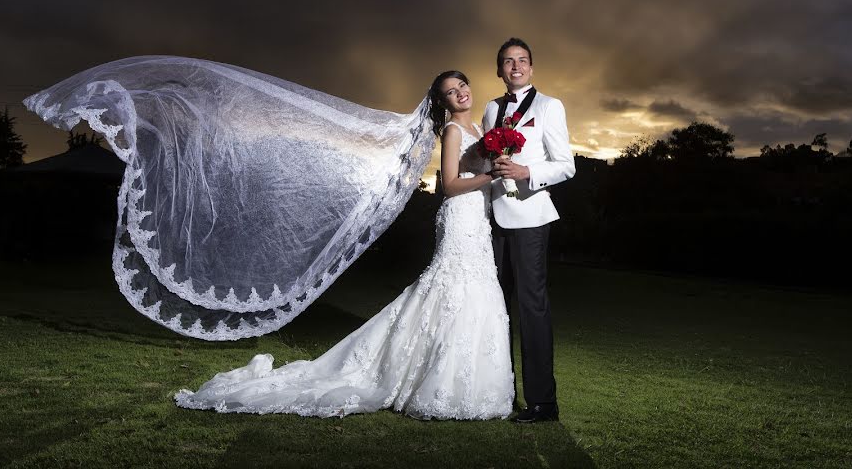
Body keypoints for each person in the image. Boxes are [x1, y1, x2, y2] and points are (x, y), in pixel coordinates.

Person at [174, 71, 515, 419]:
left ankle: (467, 381)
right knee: (454, 285)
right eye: (450, 92)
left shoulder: (480, 131)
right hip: (461, 215)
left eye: (462, 86)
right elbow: (450, 185)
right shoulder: (455, 132)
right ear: (442, 103)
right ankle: (434, 382)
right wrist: (492, 175)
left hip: (479, 218)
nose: (460, 93)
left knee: (473, 287)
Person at [483, 38, 575, 423]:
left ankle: (543, 403)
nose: (515, 66)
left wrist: (528, 173)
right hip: (492, 218)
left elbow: (566, 165)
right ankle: (500, 393)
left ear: (532, 68)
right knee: (494, 309)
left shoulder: (549, 106)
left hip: (531, 215)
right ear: (500, 70)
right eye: (508, 61)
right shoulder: (490, 109)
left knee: (531, 307)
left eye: (522, 61)